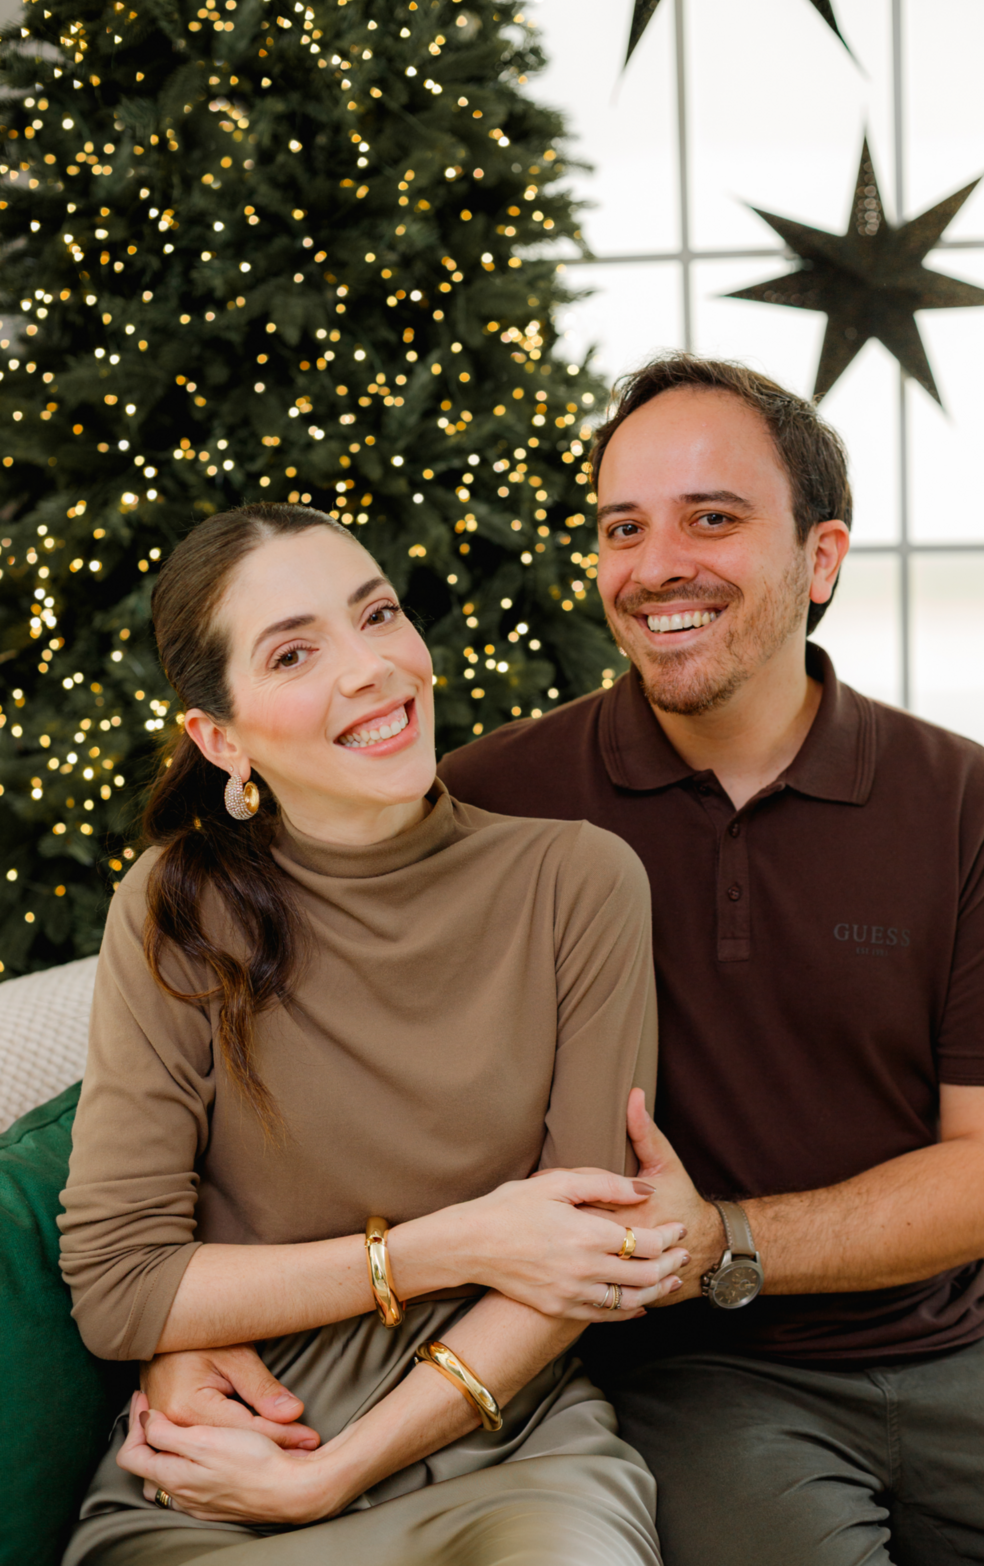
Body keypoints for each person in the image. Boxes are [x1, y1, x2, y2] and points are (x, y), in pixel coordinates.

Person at [439, 356, 984, 1565]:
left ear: (819, 558)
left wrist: (717, 1237)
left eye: (710, 518)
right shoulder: (494, 801)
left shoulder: (965, 802)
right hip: (693, 1380)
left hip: (971, 1346)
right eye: (623, 527)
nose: (656, 563)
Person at [58, 501, 691, 1566]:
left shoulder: (576, 882)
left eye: (378, 614)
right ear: (222, 738)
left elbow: (584, 1254)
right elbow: (121, 1287)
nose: (369, 667)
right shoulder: (173, 908)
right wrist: (448, 1243)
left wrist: (331, 1473)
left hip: (507, 1448)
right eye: (296, 651)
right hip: (224, 1457)